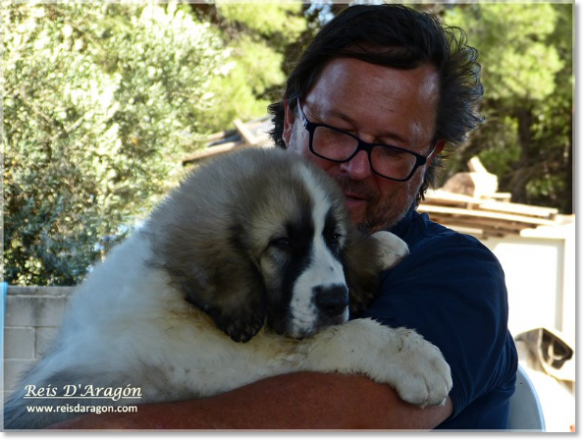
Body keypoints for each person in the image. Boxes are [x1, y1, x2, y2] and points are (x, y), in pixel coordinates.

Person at [50, 4, 517, 430]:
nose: (354, 167)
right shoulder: (199, 249)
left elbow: (341, 419)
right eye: (336, 131)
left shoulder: (457, 273)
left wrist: (111, 428)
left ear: (430, 154)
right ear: (292, 120)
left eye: (393, 148)